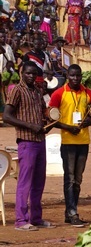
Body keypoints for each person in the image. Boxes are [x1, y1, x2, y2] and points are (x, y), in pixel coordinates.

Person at [3, 63, 52, 230]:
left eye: (33, 74)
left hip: (40, 140)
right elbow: (7, 116)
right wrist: (30, 126)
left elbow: (43, 114)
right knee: (25, 182)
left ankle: (36, 217)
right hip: (26, 141)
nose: (31, 76)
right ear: (22, 73)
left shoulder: (37, 91)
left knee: (39, 181)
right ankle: (21, 220)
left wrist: (48, 123)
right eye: (28, 73)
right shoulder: (17, 90)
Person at [48, 63, 91, 226]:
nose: (76, 78)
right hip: (68, 142)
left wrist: (87, 122)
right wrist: (68, 127)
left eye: (78, 76)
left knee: (78, 179)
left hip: (83, 141)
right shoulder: (59, 93)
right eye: (72, 75)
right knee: (70, 179)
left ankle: (70, 212)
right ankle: (72, 212)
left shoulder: (87, 93)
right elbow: (50, 117)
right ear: (67, 76)